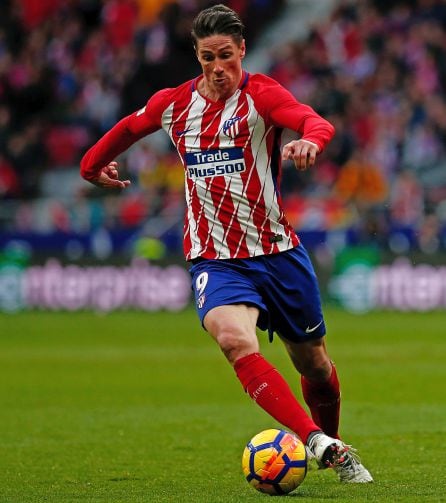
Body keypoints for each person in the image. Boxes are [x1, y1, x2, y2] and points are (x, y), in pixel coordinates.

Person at [80, 4, 373, 483]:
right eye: (207, 58)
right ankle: (321, 443)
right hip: (215, 259)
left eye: (226, 57)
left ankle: (329, 440)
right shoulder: (174, 105)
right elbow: (129, 128)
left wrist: (310, 142)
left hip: (277, 252)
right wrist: (90, 167)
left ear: (242, 51)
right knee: (236, 341)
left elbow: (313, 120)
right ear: (197, 57)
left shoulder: (262, 96)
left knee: (315, 365)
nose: (218, 69)